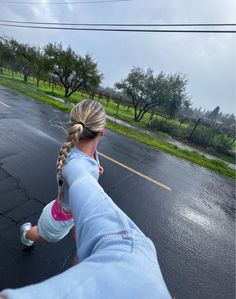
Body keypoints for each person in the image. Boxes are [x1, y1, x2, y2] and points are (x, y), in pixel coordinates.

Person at [0, 99, 171, 299]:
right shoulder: (77, 166)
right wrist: (90, 177)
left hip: (74, 214)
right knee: (41, 235)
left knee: (83, 247)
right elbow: (80, 176)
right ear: (102, 132)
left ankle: (81, 267)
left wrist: (95, 171)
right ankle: (26, 233)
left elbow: (83, 170)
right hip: (58, 218)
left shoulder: (78, 150)